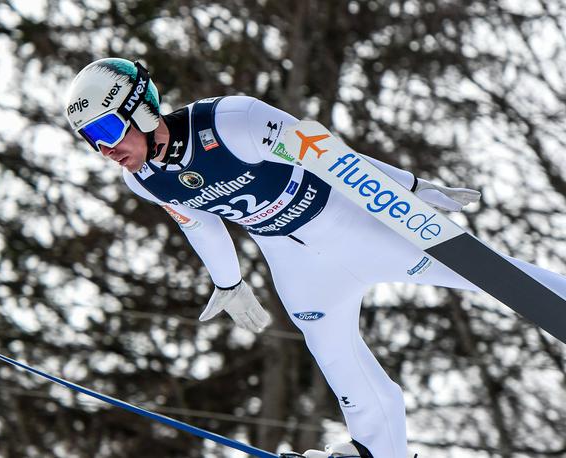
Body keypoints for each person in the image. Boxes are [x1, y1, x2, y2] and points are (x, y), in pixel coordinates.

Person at [64, 58, 566, 458]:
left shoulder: (234, 120)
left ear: (142, 111)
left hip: (357, 226)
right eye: (91, 141)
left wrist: (410, 187)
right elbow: (203, 223)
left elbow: (331, 156)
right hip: (295, 263)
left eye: (106, 132)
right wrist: (229, 283)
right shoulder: (145, 179)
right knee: (334, 353)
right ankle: (377, 449)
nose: (104, 150)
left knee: (492, 276)